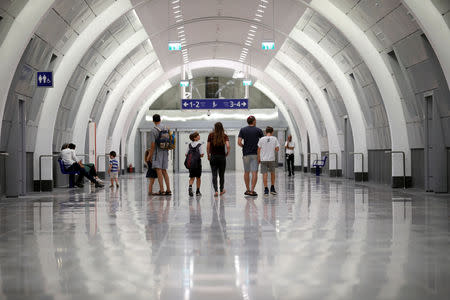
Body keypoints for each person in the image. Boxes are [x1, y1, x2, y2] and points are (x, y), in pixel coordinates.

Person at [238, 115, 264, 196]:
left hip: (246, 154)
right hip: (255, 154)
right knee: (254, 173)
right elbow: (262, 142)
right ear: (254, 121)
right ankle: (252, 190)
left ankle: (247, 190)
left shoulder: (243, 130)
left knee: (246, 172)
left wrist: (244, 147)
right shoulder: (258, 130)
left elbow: (239, 142)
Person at [148, 114, 171, 196]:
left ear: (153, 121)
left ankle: (162, 190)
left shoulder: (154, 130)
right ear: (160, 119)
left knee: (159, 170)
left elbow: (153, 144)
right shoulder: (166, 128)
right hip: (165, 151)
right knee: (164, 170)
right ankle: (168, 189)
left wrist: (149, 155)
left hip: (158, 152)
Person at [207, 122, 230, 197]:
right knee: (221, 174)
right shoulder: (224, 136)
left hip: (213, 157)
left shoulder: (211, 135)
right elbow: (228, 146)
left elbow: (208, 147)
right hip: (222, 157)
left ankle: (216, 191)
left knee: (214, 174)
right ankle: (221, 189)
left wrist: (208, 155)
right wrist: (227, 153)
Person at [257, 126, 280, 195]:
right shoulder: (274, 138)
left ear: (265, 132)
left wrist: (258, 158)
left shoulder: (261, 139)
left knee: (265, 174)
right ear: (272, 132)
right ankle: (272, 188)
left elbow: (258, 149)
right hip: (271, 159)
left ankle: (266, 189)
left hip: (263, 159)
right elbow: (277, 149)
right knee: (272, 173)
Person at [185, 131, 204, 197]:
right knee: (198, 177)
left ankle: (190, 187)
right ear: (195, 138)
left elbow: (186, 154)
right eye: (198, 135)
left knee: (192, 177)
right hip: (197, 164)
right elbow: (202, 154)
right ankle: (197, 191)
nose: (199, 136)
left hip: (191, 165)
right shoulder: (200, 144)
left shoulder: (189, 145)